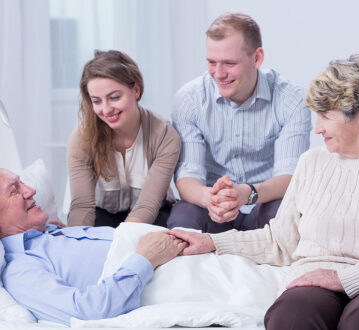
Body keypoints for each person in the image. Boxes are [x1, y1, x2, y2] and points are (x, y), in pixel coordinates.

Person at [168, 54, 359, 329]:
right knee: (291, 314)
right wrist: (214, 243)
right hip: (313, 282)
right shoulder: (312, 162)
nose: (317, 127)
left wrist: (343, 278)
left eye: (325, 116)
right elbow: (280, 241)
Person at [167, 11, 311, 233]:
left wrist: (246, 193)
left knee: (286, 215)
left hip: (264, 200)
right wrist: (209, 199)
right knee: (183, 217)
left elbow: (290, 176)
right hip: (212, 206)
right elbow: (188, 176)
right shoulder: (189, 99)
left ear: (257, 58)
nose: (219, 74)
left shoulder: (291, 99)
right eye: (212, 62)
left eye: (229, 63)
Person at [0, 168, 186, 325]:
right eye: (14, 191)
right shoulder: (20, 270)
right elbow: (86, 313)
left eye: (22, 182)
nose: (30, 190)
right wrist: (144, 260)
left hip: (191, 251)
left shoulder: (53, 232)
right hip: (181, 279)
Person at [67, 50, 180, 227]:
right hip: (101, 215)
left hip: (153, 216)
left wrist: (122, 243)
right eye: (97, 101)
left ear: (135, 90)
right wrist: (76, 244)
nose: (106, 109)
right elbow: (82, 207)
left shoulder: (164, 135)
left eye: (114, 97)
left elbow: (147, 206)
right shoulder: (81, 137)